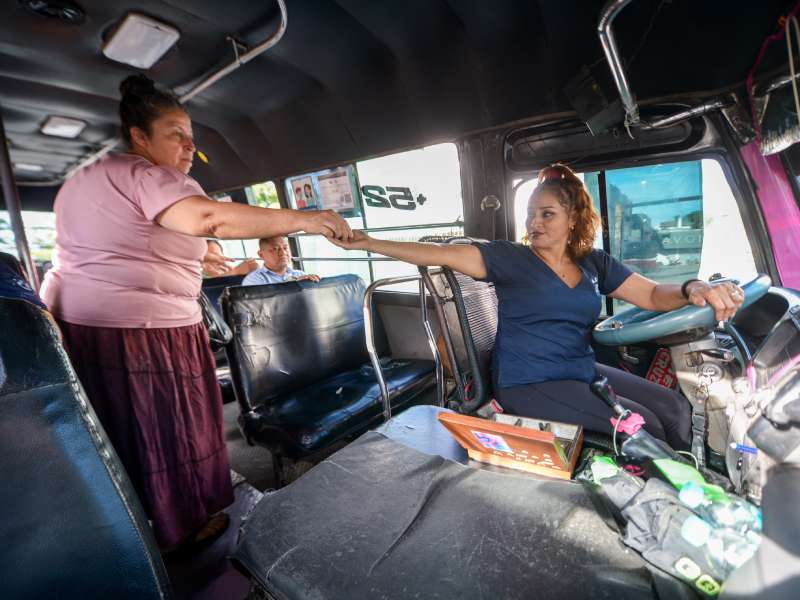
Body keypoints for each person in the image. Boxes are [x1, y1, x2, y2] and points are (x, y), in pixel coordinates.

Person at [40, 74, 351, 552]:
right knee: (167, 431)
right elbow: (209, 218)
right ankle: (178, 531)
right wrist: (309, 219)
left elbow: (116, 246)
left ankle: (136, 522)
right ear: (139, 137)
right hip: (146, 332)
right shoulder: (150, 175)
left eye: (192, 138)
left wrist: (196, 257)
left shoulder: (82, 182)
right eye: (175, 134)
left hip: (87, 327)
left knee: (121, 433)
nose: (189, 147)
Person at [330, 164, 746, 450]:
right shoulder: (511, 258)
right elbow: (435, 254)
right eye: (531, 215)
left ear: (573, 218)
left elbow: (653, 295)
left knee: (674, 407)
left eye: (547, 214)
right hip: (529, 382)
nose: (535, 224)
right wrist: (368, 243)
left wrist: (694, 287)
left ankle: (688, 471)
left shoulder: (594, 262)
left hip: (579, 372)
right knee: (645, 429)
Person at [242, 235, 320, 285]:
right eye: (275, 249)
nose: (283, 253)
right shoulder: (253, 280)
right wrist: (294, 285)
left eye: (285, 248)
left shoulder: (300, 274)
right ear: (261, 254)